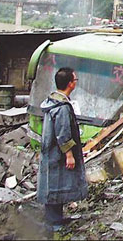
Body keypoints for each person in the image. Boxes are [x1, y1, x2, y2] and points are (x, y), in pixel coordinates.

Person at [37, 68, 88, 233]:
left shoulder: (52, 101)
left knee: (52, 183)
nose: (76, 82)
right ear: (70, 84)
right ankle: (53, 223)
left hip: (50, 152)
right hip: (57, 153)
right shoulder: (62, 107)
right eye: (75, 79)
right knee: (56, 185)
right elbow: (63, 133)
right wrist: (69, 154)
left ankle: (55, 219)